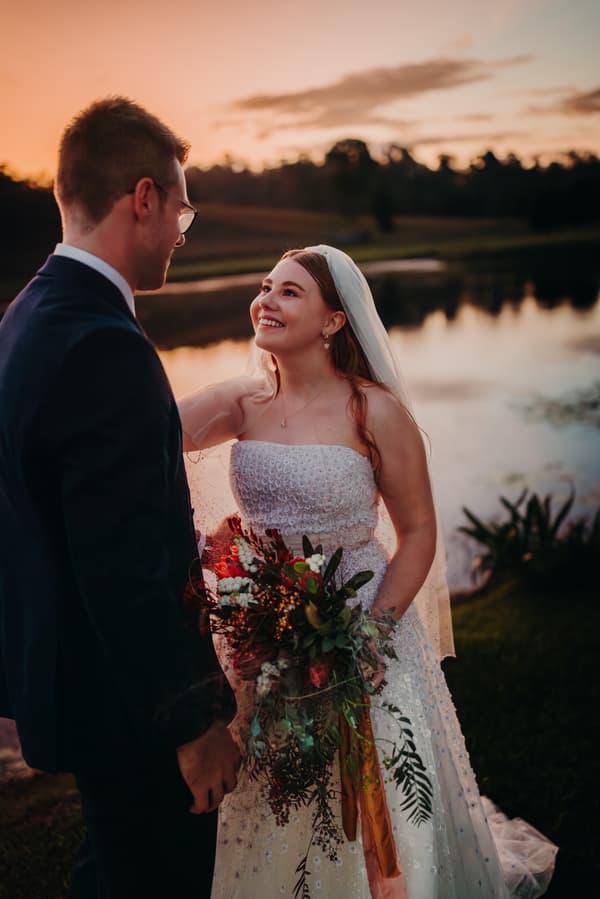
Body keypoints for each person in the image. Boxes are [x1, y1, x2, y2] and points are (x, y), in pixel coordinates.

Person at [178, 245, 558, 899]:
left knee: (384, 797)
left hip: (364, 625)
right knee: (281, 796)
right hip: (268, 637)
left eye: (289, 291)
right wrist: (215, 559)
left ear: (333, 321)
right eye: (265, 286)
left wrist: (371, 633)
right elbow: (139, 438)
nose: (266, 299)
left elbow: (418, 535)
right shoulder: (243, 400)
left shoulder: (374, 412)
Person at [0, 97, 240, 899]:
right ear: (144, 198)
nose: (181, 228)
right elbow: (123, 568)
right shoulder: (106, 347)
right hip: (129, 708)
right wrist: (194, 723)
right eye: (182, 208)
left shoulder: (26, 318)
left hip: (72, 681)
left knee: (114, 870)